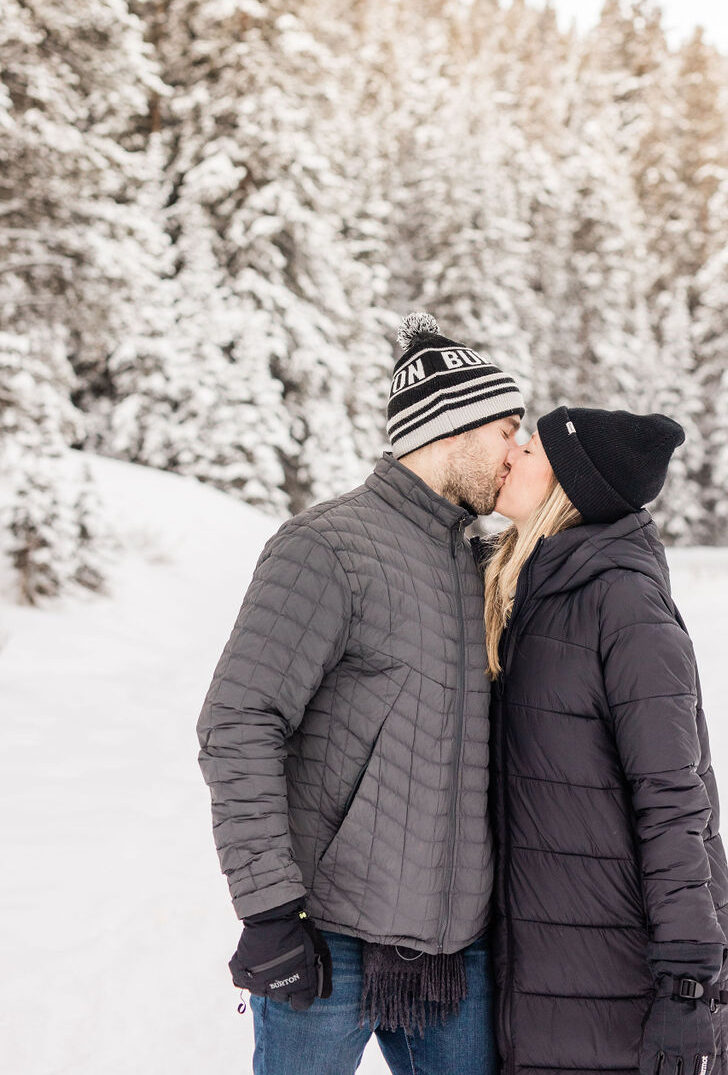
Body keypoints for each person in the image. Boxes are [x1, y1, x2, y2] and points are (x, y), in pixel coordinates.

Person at [197, 312, 525, 1075]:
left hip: (455, 955)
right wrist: (271, 912)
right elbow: (238, 721)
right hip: (329, 941)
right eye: (507, 429)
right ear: (450, 428)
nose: (516, 451)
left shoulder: (479, 563)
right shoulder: (328, 546)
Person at [484, 407, 728, 1075]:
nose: (511, 453)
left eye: (532, 448)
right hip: (549, 974)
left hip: (617, 979)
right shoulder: (532, 585)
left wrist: (688, 979)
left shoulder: (622, 602)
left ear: (571, 485)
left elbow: (674, 796)